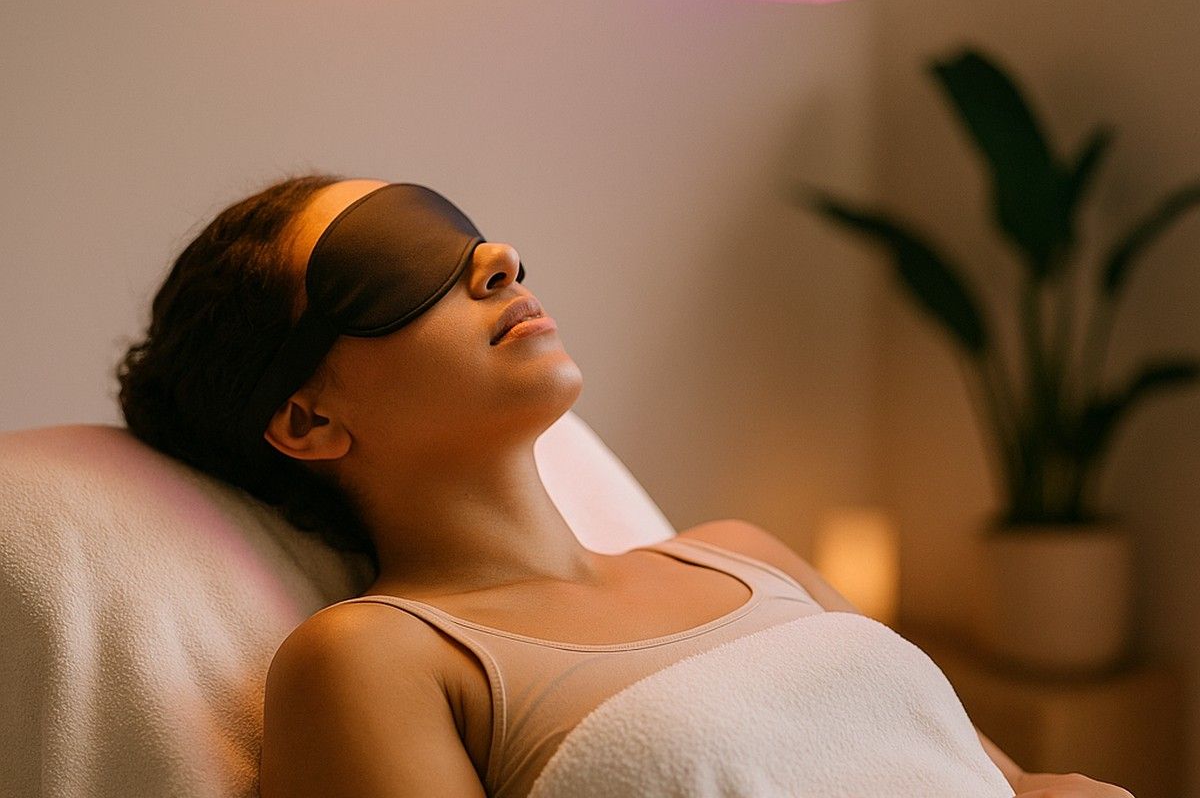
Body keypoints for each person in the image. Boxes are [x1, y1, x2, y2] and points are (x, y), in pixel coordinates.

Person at [116, 174, 1130, 798]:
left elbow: (1011, 780)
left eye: (465, 227)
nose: (496, 256)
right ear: (306, 418)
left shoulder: (744, 550)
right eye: (395, 259)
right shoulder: (379, 656)